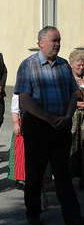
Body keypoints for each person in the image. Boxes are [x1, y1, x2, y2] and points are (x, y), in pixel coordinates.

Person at [14, 26, 82, 225]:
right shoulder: (28, 65)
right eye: (54, 41)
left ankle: (72, 216)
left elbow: (73, 94)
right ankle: (33, 215)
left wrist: (68, 115)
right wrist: (48, 118)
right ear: (41, 43)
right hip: (38, 128)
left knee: (63, 175)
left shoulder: (63, 65)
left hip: (61, 127)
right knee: (34, 177)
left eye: (59, 41)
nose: (57, 45)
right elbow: (25, 100)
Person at [69, 50, 84, 188]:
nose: (81, 67)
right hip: (72, 117)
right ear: (72, 64)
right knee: (72, 145)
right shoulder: (67, 80)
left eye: (83, 65)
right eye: (79, 65)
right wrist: (75, 103)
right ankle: (69, 176)